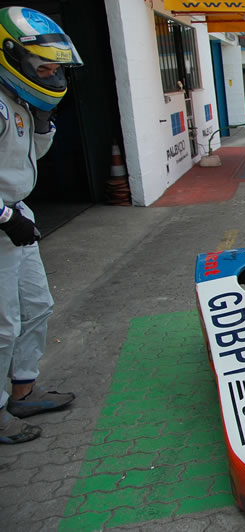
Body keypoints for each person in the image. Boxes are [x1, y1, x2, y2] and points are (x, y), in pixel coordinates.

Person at [0, 6, 82, 444]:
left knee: (38, 306)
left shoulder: (16, 102)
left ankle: (24, 388)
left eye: (54, 68)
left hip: (18, 215)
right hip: (4, 220)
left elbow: (30, 158)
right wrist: (5, 216)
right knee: (3, 324)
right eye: (43, 67)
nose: (51, 76)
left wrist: (44, 123)